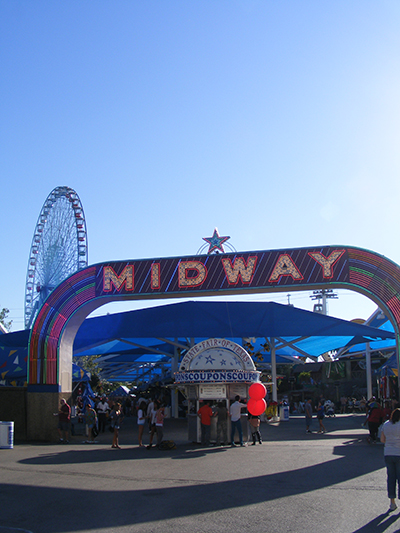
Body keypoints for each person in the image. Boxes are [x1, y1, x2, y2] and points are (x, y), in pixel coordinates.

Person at [381, 408, 400, 512]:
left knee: (391, 478)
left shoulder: (386, 424)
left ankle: (392, 502)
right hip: (399, 453)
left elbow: (382, 439)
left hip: (388, 453)